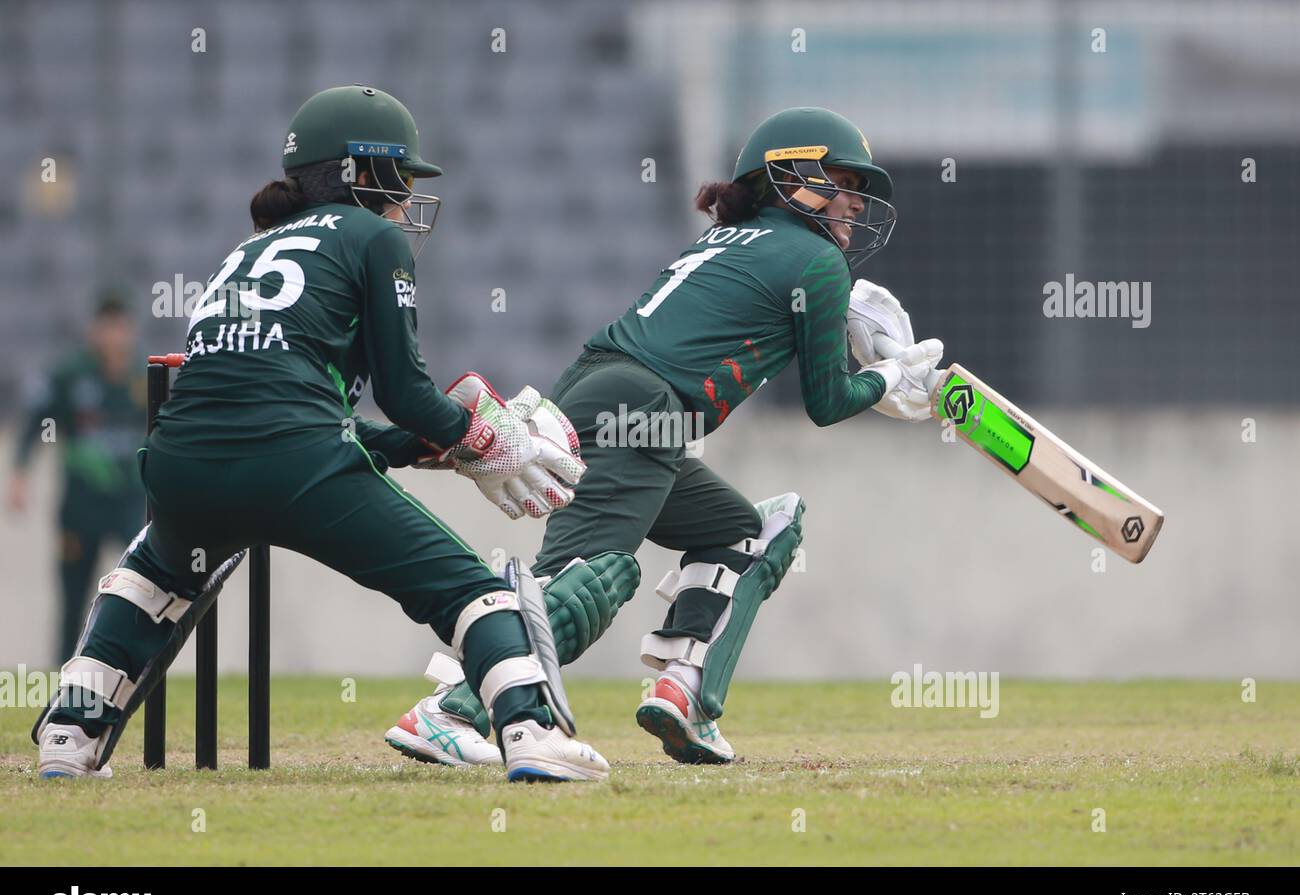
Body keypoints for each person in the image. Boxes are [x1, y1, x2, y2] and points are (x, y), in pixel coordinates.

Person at [32, 84, 610, 783]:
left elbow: (279, 403)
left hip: (181, 459)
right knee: (469, 590)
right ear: (359, 172)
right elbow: (403, 395)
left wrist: (422, 446)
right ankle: (531, 732)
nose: (405, 201)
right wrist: (481, 438)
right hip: (296, 464)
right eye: (399, 179)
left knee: (152, 580)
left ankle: (69, 732)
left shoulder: (245, 251)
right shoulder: (372, 236)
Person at [387, 106, 944, 766]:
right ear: (783, 175)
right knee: (592, 578)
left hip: (615, 396)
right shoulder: (816, 259)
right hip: (644, 406)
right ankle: (448, 710)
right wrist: (888, 378)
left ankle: (682, 692)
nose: (853, 201)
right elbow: (828, 403)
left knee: (748, 530)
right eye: (840, 181)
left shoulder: (725, 240)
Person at [9, 295, 147, 663]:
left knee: (139, 590)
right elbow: (36, 422)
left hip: (129, 503)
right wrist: (21, 473)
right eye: (109, 328)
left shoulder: (146, 377)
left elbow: (167, 433)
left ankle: (134, 671)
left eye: (122, 328)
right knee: (73, 597)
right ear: (95, 332)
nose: (116, 337)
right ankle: (64, 676)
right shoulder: (70, 376)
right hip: (81, 507)